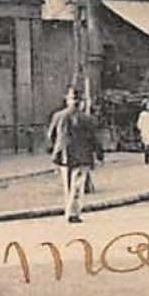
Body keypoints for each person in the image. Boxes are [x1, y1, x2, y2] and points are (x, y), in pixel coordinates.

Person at [48, 88, 100, 223]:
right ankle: (73, 213)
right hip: (82, 156)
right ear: (81, 102)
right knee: (77, 185)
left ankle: (69, 210)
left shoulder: (58, 116)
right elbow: (93, 138)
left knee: (68, 185)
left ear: (68, 100)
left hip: (64, 155)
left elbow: (51, 135)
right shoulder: (86, 118)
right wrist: (99, 153)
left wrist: (56, 148)